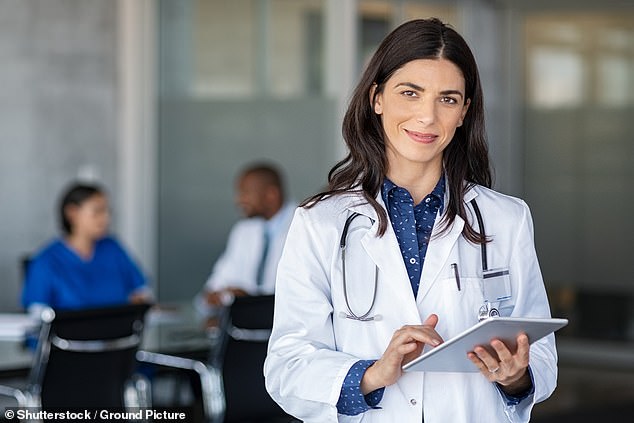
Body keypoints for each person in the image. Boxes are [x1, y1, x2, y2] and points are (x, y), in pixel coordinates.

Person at [264, 18, 557, 423]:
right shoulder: (321, 223)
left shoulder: (506, 219)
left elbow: (541, 353)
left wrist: (515, 377)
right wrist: (370, 375)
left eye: (448, 99)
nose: (427, 116)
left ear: (463, 113)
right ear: (377, 98)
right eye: (411, 93)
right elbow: (286, 365)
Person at [22, 182, 151, 312]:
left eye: (107, 212)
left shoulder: (113, 249)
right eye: (97, 211)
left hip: (119, 331)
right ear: (72, 213)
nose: (106, 218)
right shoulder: (47, 261)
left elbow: (141, 291)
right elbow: (37, 311)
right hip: (69, 332)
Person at [198, 163, 295, 308]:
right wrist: (216, 295)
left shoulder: (304, 227)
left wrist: (250, 299)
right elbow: (216, 284)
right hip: (243, 326)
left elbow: (298, 295)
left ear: (271, 195)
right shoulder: (243, 231)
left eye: (246, 193)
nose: (238, 200)